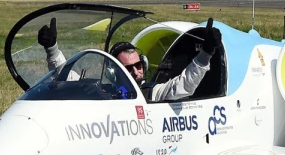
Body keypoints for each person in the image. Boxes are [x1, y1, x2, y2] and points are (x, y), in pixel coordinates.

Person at [38, 17, 220, 102]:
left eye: (138, 65)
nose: (136, 71)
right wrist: (52, 49)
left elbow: (183, 86)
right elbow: (67, 77)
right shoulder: (102, 91)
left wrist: (206, 54)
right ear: (113, 71)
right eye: (128, 68)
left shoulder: (153, 93)